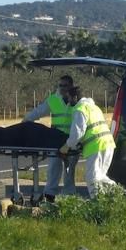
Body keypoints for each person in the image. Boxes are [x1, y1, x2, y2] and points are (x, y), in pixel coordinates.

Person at [24, 74, 77, 203]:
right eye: (60, 85)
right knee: (53, 168)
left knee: (70, 170)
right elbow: (38, 111)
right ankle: (49, 194)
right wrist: (25, 121)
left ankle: (69, 196)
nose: (62, 88)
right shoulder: (53, 99)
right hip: (55, 139)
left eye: (65, 85)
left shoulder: (76, 100)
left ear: (71, 86)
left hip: (72, 140)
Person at [60, 85, 116, 198]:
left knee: (92, 178)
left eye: (69, 98)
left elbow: (78, 133)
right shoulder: (93, 107)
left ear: (75, 97)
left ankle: (100, 200)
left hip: (96, 146)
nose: (68, 101)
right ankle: (107, 198)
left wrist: (67, 145)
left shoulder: (80, 109)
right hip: (108, 144)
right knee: (99, 176)